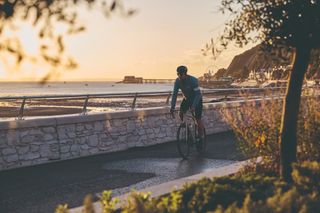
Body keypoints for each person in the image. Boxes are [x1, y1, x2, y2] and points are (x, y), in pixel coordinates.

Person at [170, 65, 205, 141]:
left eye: (180, 74)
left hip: (197, 99)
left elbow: (198, 94)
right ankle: (189, 131)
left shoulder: (193, 80)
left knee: (198, 119)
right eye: (178, 74)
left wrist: (193, 106)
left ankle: (201, 137)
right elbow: (174, 94)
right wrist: (172, 107)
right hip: (187, 99)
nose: (179, 76)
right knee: (181, 114)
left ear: (185, 74)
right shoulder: (177, 81)